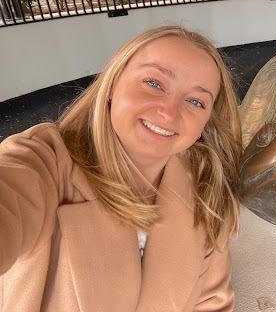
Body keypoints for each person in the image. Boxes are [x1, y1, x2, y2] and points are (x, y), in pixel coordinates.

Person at [0, 26, 242, 311]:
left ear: (205, 124)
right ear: (112, 85)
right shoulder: (45, 159)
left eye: (195, 101)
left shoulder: (207, 192)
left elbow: (212, 302)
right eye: (153, 83)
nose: (169, 112)